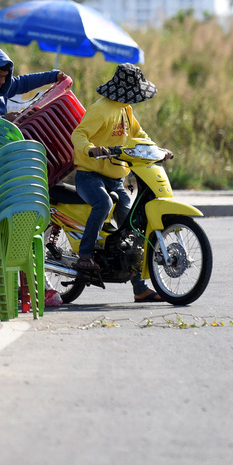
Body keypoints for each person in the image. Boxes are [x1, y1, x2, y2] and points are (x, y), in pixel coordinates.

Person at [70, 62, 162, 303]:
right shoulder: (101, 110)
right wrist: (90, 149)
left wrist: (157, 149)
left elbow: (139, 135)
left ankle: (139, 288)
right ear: (128, 90)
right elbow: (78, 134)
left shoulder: (125, 109)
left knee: (129, 227)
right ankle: (85, 254)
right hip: (90, 176)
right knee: (102, 203)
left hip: (116, 179)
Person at [0, 47, 68, 118]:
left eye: (6, 77)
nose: (3, 81)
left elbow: (24, 82)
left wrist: (53, 76)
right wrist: (3, 120)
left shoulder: (2, 87)